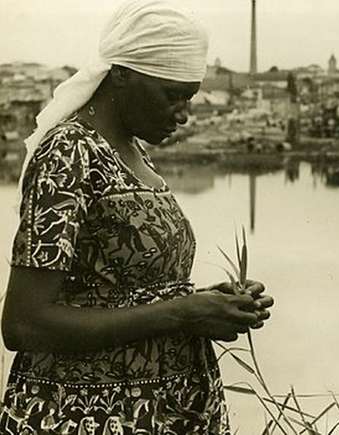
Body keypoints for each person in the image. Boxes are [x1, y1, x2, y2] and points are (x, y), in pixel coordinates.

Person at [0, 1, 273, 433]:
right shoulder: (70, 154)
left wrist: (213, 301)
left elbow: (119, 289)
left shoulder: (131, 151)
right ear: (123, 74)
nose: (183, 115)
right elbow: (24, 323)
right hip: (86, 415)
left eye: (190, 98)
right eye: (172, 96)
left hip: (154, 411)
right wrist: (183, 312)